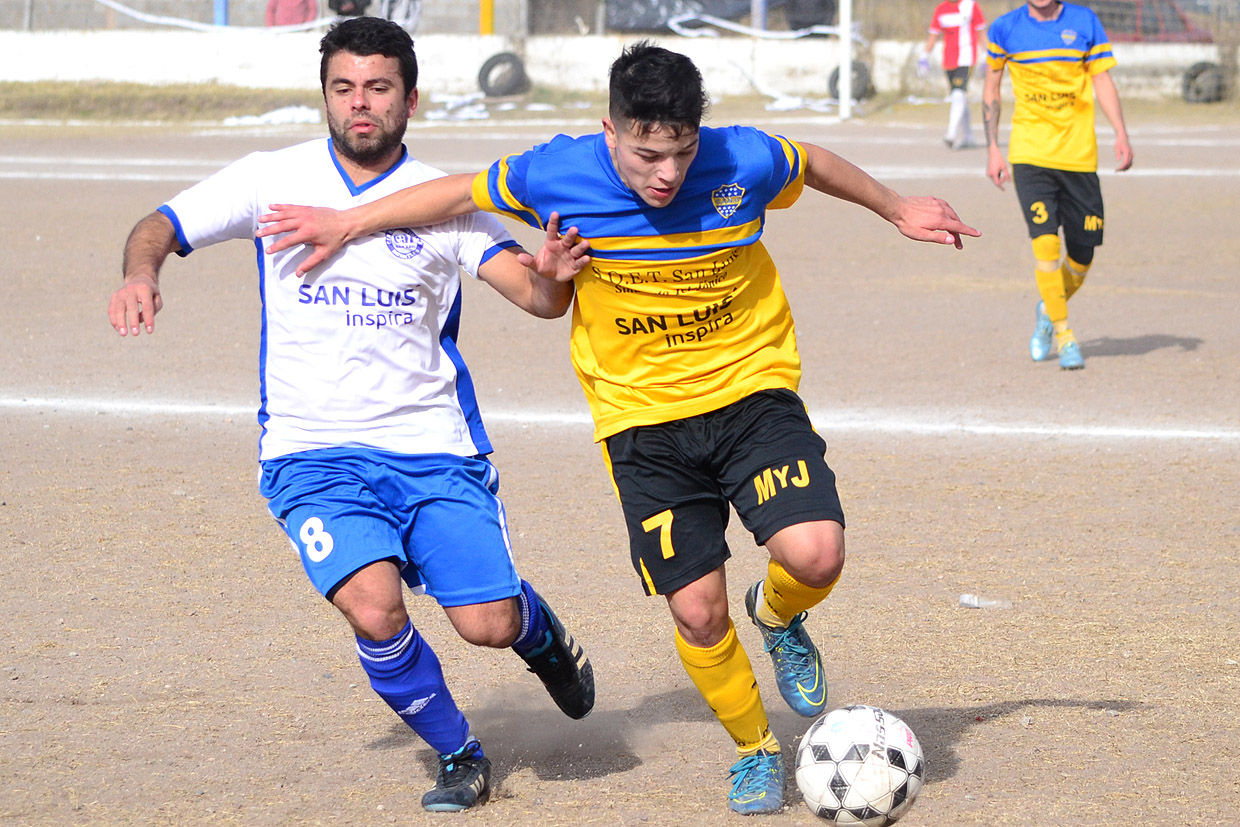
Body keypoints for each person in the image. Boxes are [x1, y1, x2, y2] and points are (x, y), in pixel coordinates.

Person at [257, 40, 979, 814]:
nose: (665, 173)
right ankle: (754, 749)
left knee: (818, 552)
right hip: (642, 424)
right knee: (696, 607)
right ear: (611, 131)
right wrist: (348, 222)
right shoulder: (555, 172)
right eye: (645, 154)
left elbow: (815, 165)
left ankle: (778, 615)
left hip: (750, 390)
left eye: (680, 152)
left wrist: (897, 206)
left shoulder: (744, 158)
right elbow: (452, 194)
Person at [106, 17, 596, 813]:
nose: (359, 105)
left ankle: (534, 627)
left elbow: (539, 301)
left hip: (435, 450)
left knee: (487, 624)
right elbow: (160, 224)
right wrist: (141, 273)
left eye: (377, 89)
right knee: (373, 606)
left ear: (409, 98)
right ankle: (459, 752)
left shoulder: (447, 202)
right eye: (343, 89)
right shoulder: (272, 177)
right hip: (312, 454)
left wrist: (555, 274)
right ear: (326, 95)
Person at [983, 0, 1133, 370]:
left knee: (1083, 256)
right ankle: (1065, 336)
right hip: (1030, 155)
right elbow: (991, 89)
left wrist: (1121, 133)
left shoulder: (1085, 22)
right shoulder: (1004, 29)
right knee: (1046, 244)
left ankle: (1049, 307)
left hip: (1079, 157)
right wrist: (992, 149)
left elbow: (1101, 78)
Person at [919, 0, 987, 149]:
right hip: (949, 61)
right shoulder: (941, 9)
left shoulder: (970, 6)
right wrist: (924, 56)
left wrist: (985, 55)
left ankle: (951, 134)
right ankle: (969, 136)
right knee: (960, 96)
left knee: (957, 94)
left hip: (966, 59)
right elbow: (933, 35)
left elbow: (981, 32)